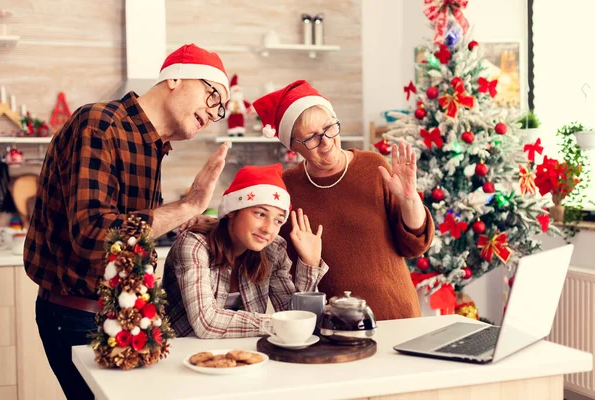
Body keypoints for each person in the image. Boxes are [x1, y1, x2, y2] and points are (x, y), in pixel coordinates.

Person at [23, 43, 231, 400]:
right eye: (213, 97)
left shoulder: (151, 145)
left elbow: (131, 229)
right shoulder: (101, 124)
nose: (213, 114)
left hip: (126, 317)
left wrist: (192, 221)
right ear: (175, 78)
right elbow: (93, 236)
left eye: (220, 111)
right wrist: (186, 206)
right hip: (81, 317)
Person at [252, 80, 435, 321]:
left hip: (398, 316)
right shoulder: (286, 189)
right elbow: (287, 281)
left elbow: (414, 246)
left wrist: (410, 199)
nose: (326, 142)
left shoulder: (373, 166)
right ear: (294, 146)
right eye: (312, 138)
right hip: (334, 328)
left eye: (329, 128)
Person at [163, 164, 327, 338]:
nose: (268, 229)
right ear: (232, 210)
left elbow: (294, 316)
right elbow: (206, 322)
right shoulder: (194, 244)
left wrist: (310, 263)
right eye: (260, 214)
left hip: (247, 356)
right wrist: (279, 323)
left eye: (278, 221)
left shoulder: (273, 249)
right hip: (183, 356)